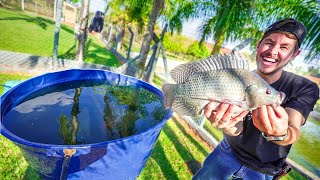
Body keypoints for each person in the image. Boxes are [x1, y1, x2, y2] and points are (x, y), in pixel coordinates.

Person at [193, 18, 319, 180]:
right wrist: (226, 124)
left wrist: (280, 133)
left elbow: (293, 129)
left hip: (263, 171)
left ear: (294, 55)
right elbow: (236, 129)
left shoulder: (305, 87)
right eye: (269, 42)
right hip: (226, 152)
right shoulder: (238, 79)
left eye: (284, 47)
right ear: (258, 44)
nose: (273, 51)